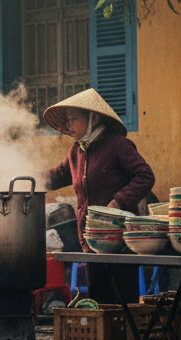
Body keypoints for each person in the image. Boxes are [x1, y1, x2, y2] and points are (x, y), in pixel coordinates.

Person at [42, 89, 155, 305]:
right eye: (67, 120)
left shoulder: (117, 145)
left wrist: (118, 202)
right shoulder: (77, 151)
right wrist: (24, 179)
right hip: (91, 242)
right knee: (100, 301)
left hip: (120, 241)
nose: (69, 125)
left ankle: (127, 339)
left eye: (73, 119)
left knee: (124, 303)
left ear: (93, 119)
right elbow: (55, 176)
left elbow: (145, 175)